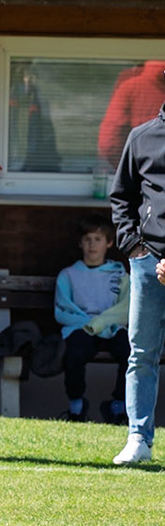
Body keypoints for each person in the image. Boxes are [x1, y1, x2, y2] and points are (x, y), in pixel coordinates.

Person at [108, 99, 165, 464]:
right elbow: (121, 198)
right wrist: (134, 248)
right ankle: (138, 438)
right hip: (148, 262)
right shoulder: (141, 137)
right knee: (142, 354)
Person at [54, 215, 129, 425]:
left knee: (129, 352)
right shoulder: (68, 275)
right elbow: (62, 311)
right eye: (87, 239)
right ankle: (76, 407)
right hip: (82, 328)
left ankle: (118, 407)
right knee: (74, 353)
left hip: (112, 328)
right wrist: (89, 325)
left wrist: (100, 324)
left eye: (98, 239)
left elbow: (125, 310)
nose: (92, 244)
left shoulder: (120, 275)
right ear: (80, 243)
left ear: (109, 243)